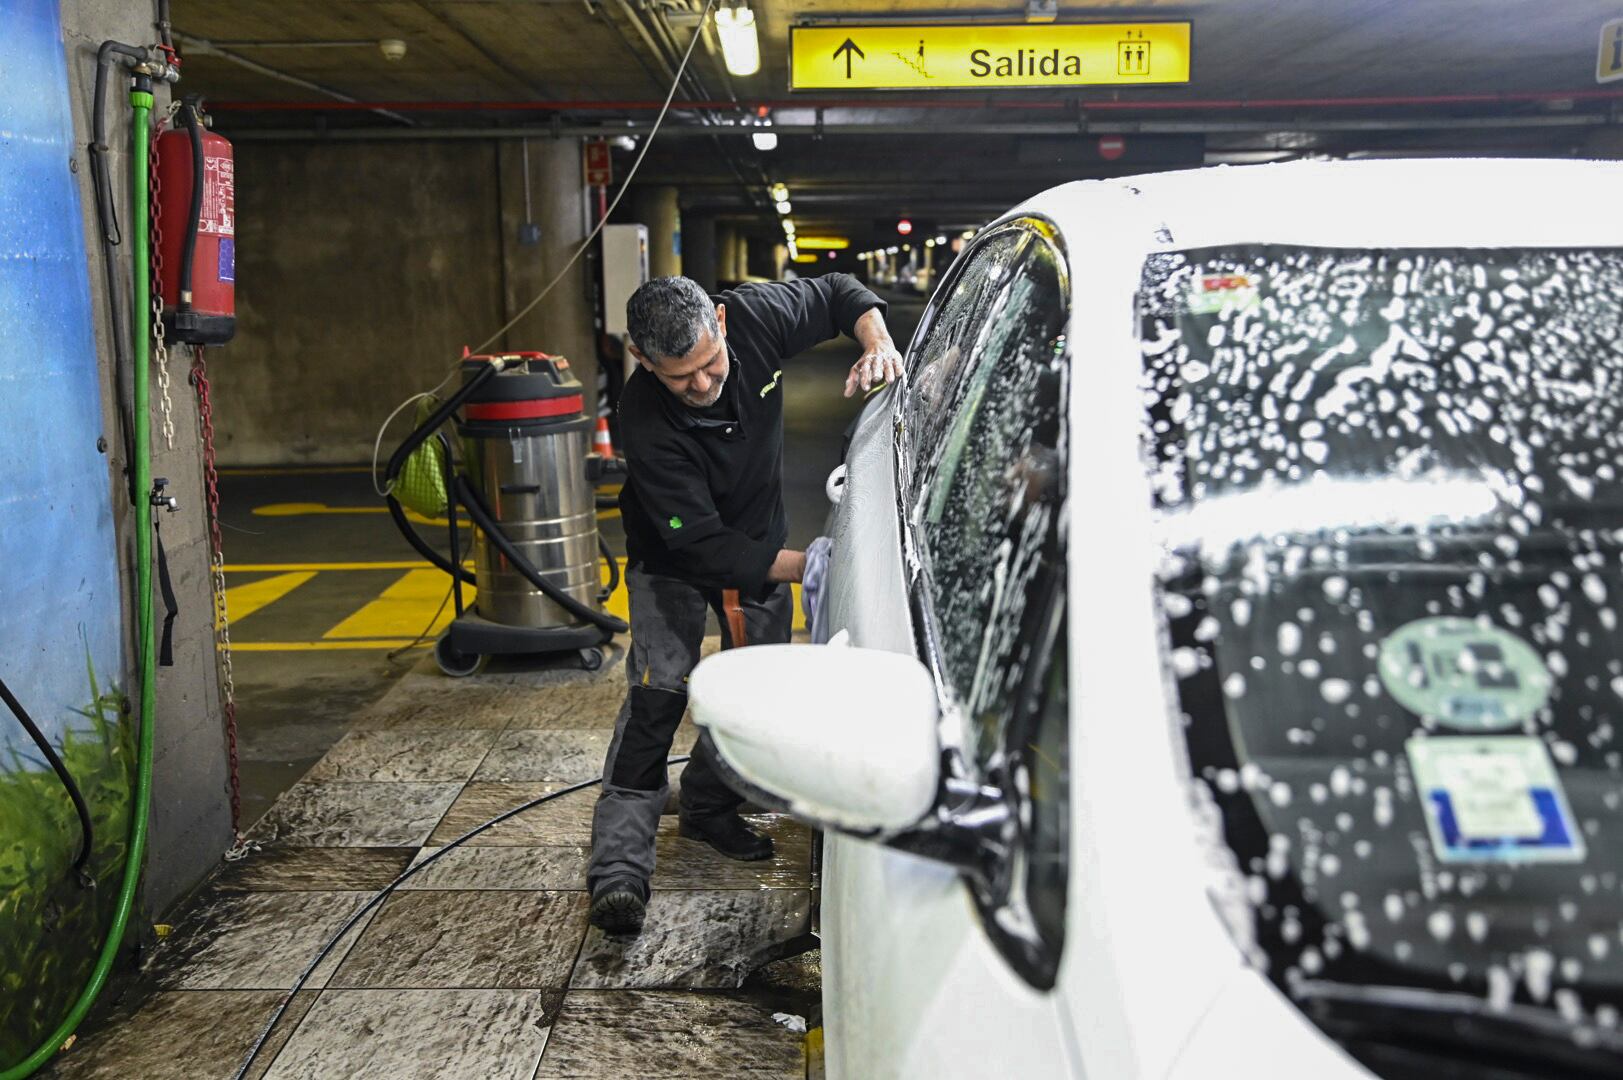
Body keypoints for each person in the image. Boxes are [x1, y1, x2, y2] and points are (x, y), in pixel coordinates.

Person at [587, 272, 902, 934]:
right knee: (658, 693)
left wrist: (876, 340)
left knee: (754, 692)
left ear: (722, 324)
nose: (702, 385)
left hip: (757, 536)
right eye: (680, 378)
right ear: (642, 359)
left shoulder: (756, 317)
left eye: (710, 364)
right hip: (671, 559)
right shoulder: (643, 417)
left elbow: (838, 294)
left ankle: (706, 805)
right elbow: (700, 543)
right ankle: (618, 869)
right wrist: (811, 565)